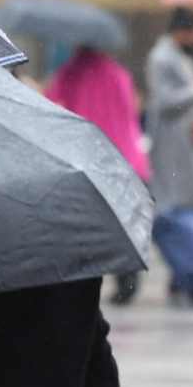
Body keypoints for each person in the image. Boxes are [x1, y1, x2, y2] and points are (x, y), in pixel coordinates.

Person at [47, 45, 151, 305]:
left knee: (89, 222)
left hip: (88, 154)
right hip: (124, 156)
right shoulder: (119, 74)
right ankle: (127, 278)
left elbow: (51, 102)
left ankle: (88, 279)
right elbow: (131, 112)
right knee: (124, 222)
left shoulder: (70, 73)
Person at [145, 7, 193, 218]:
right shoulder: (161, 58)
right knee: (174, 198)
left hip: (185, 137)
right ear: (183, 31)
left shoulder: (176, 55)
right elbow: (163, 101)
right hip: (170, 138)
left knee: (188, 193)